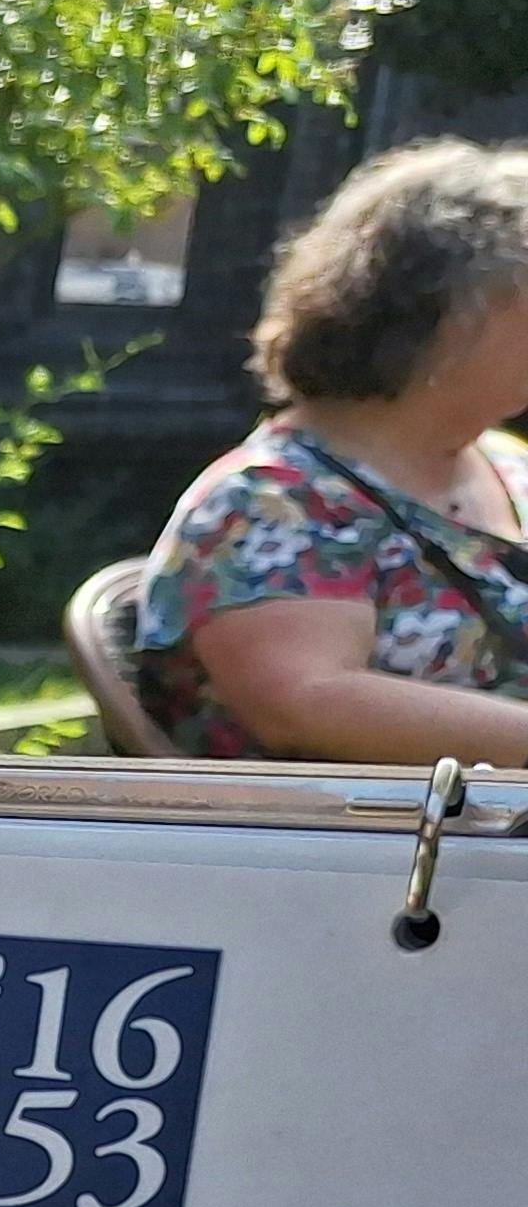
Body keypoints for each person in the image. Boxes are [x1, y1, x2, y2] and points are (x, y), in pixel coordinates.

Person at [141, 139, 528, 760]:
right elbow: (304, 703)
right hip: (374, 824)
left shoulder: (507, 465)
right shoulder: (272, 501)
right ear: (442, 321)